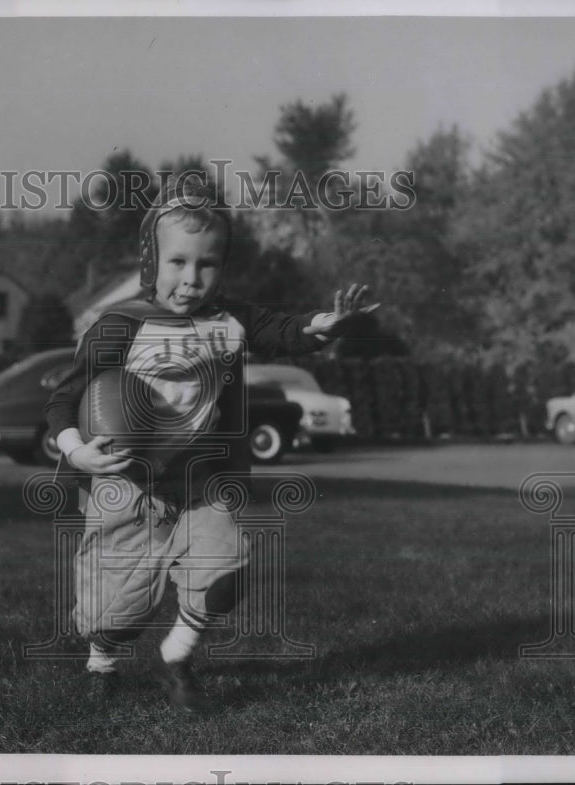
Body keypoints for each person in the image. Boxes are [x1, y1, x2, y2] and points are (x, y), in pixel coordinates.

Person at [44, 177, 377, 714]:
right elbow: (65, 399)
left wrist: (325, 326)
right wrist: (77, 450)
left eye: (208, 265)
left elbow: (287, 329)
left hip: (202, 482)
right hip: (128, 485)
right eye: (178, 263)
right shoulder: (120, 325)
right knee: (114, 612)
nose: (192, 279)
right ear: (151, 260)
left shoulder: (229, 318)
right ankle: (101, 660)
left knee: (225, 568)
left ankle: (177, 656)